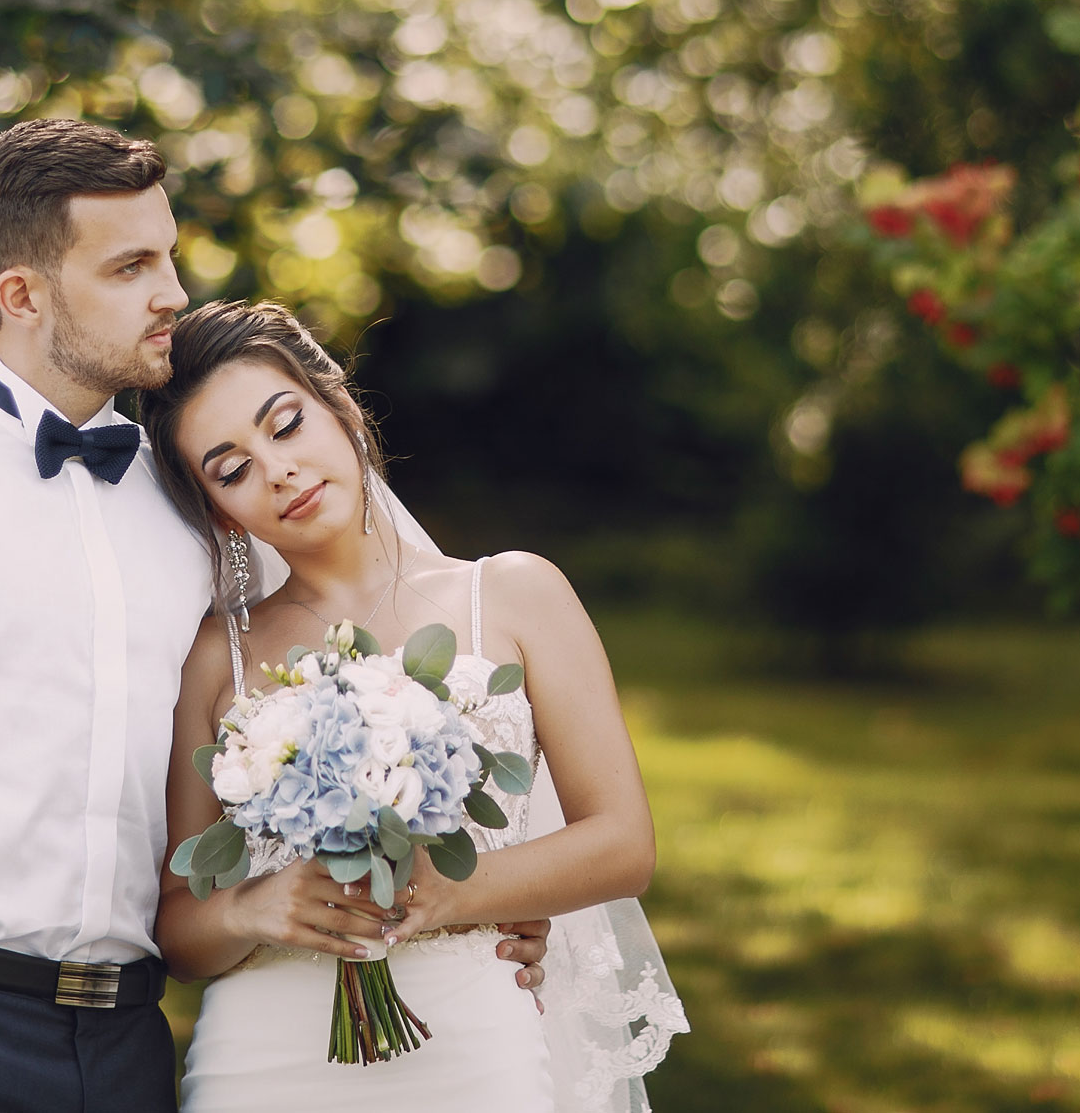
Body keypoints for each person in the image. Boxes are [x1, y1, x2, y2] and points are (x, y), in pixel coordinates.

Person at [0, 119, 549, 1113]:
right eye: (132, 264)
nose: (173, 292)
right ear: (22, 294)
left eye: (169, 255)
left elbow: (394, 644)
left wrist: (489, 885)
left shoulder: (207, 495)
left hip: (129, 1044)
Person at [139, 300, 686, 1112]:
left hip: (473, 1040)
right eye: (232, 468)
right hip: (261, 1054)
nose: (277, 470)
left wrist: (453, 890)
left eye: (285, 425)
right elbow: (180, 930)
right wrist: (256, 905)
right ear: (221, 510)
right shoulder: (218, 653)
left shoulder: (511, 595)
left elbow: (622, 843)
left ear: (342, 407)